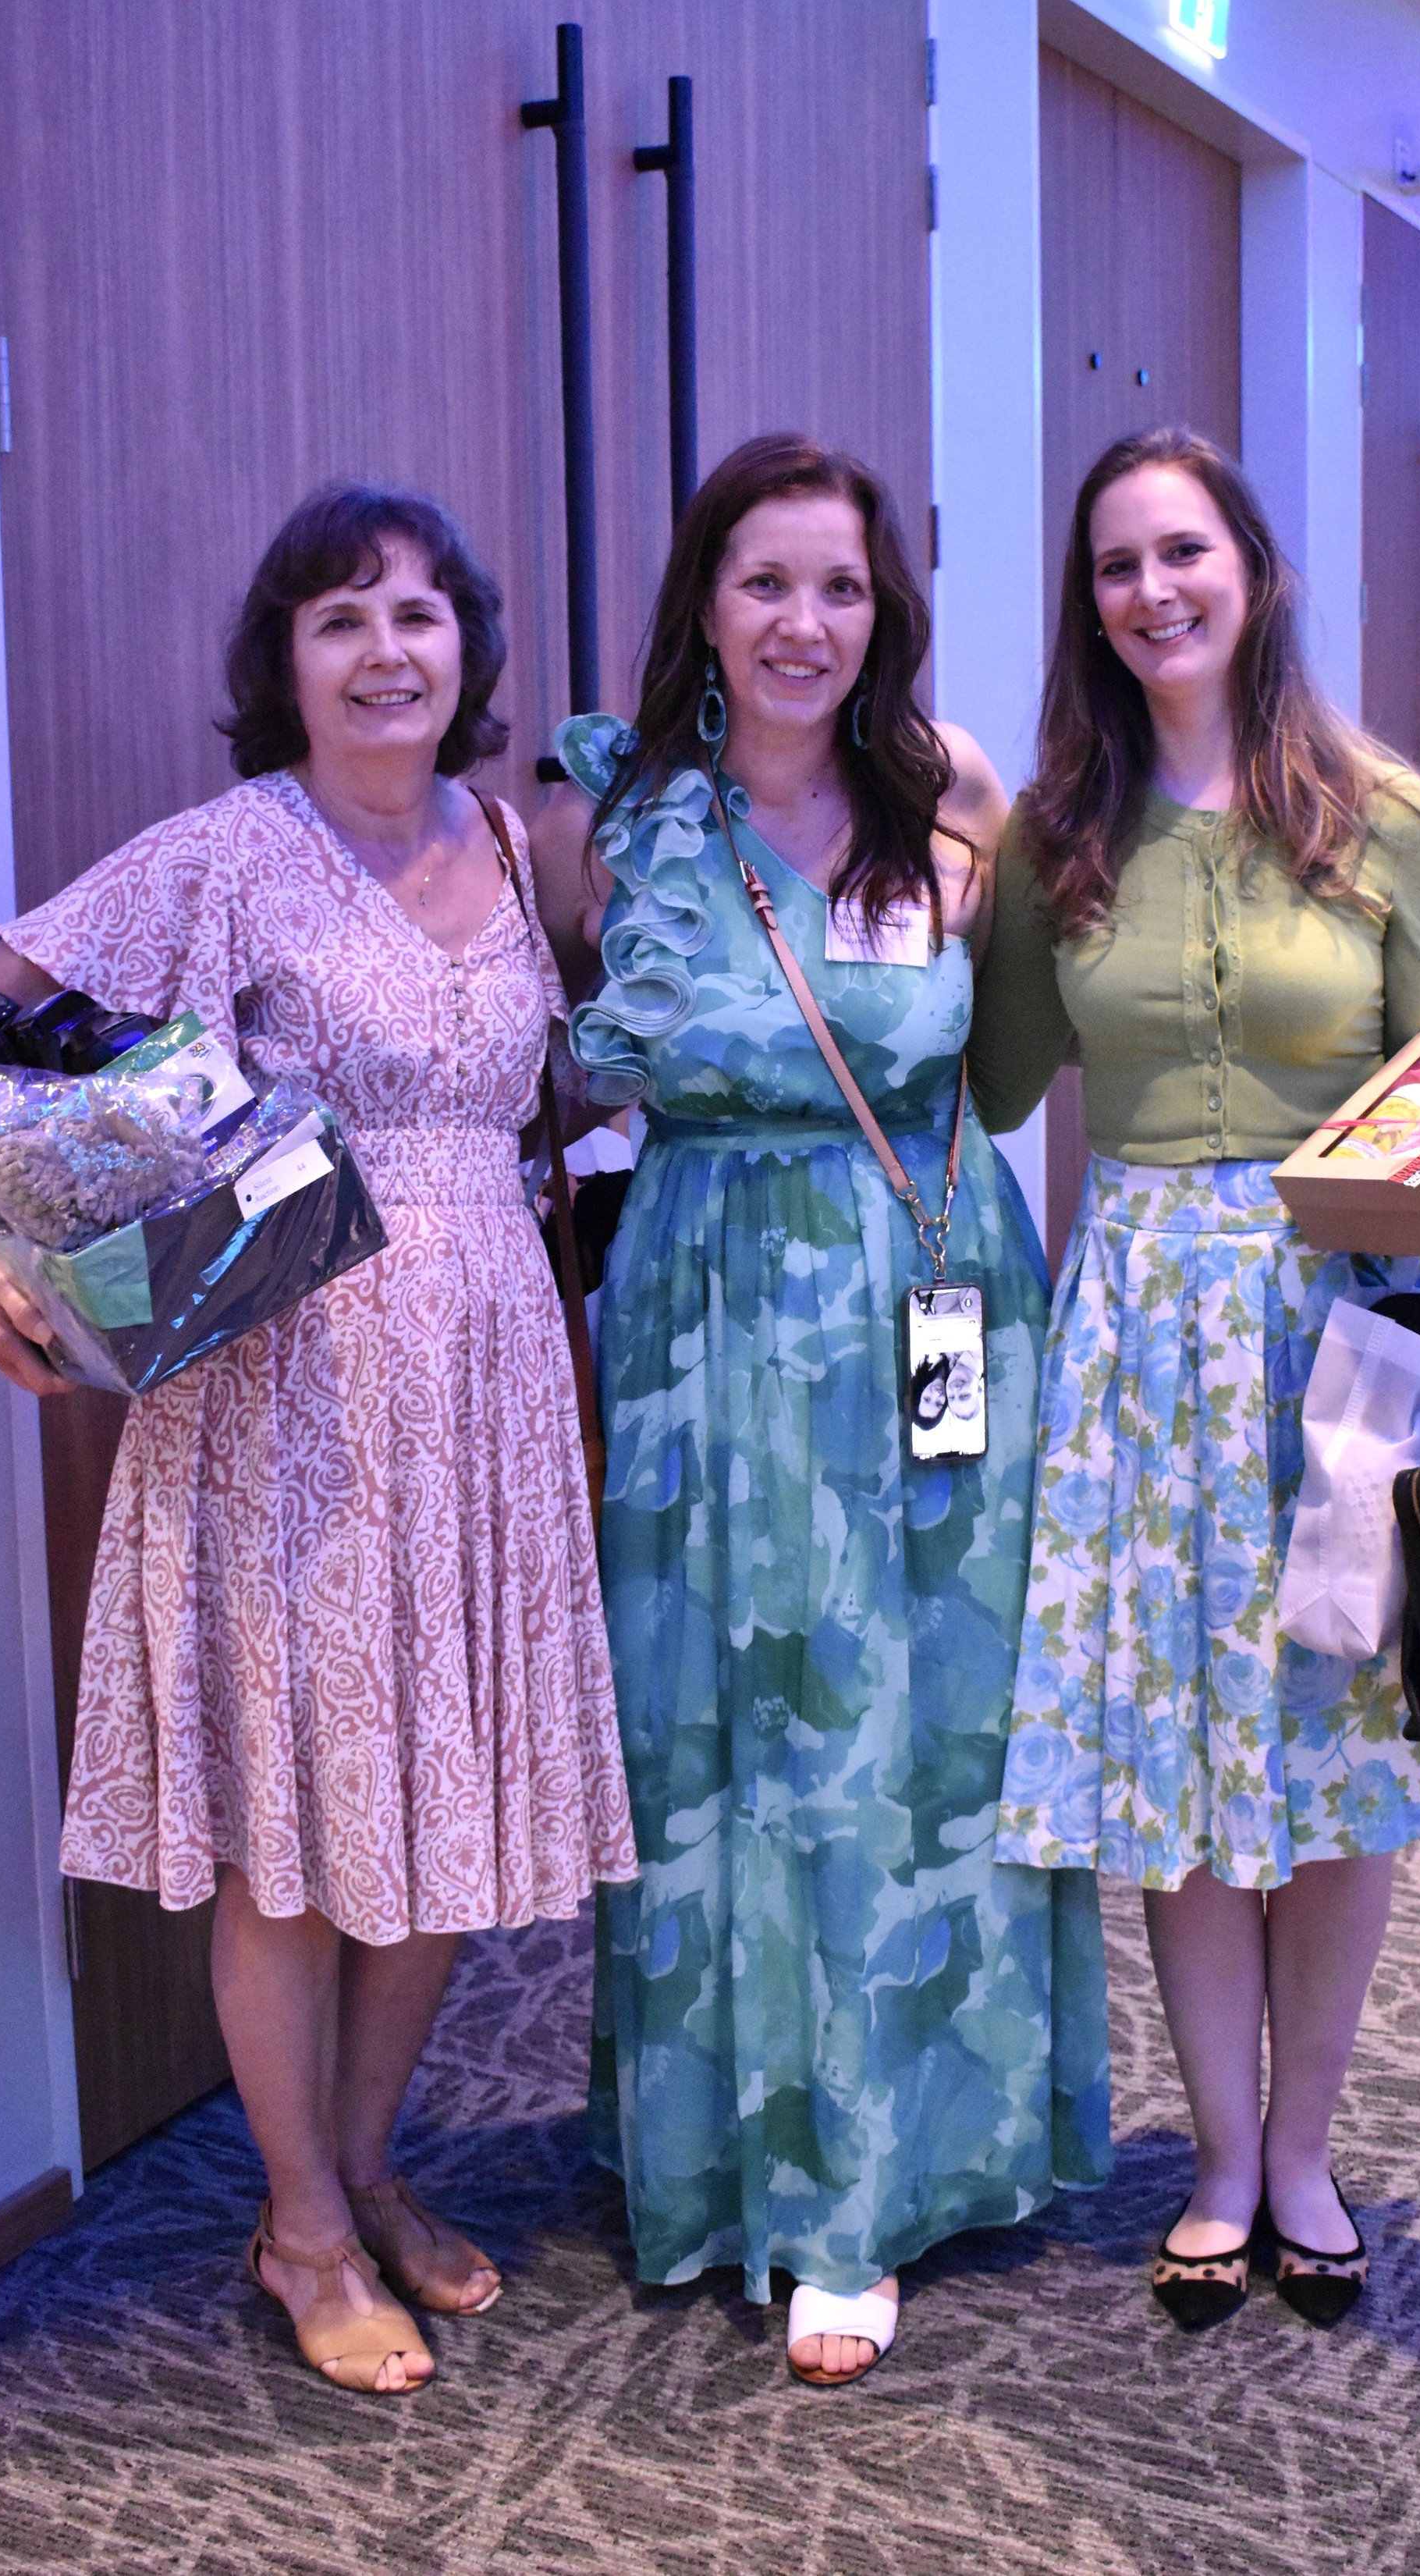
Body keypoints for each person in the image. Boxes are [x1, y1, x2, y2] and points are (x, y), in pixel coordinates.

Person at [0, 482, 637, 2395]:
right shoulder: (224, 853)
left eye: (416, 614)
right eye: (337, 622)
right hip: (282, 1386)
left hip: (488, 1386)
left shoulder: (507, 834)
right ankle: (297, 2224)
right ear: (282, 668)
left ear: (467, 642)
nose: (387, 651)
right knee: (289, 1839)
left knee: (443, 1812)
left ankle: (364, 2173)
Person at [531, 432, 1110, 2388]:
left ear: (887, 610)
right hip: (695, 1311)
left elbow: (1024, 1067)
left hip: (916, 1298)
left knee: (904, 1727)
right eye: (766, 581)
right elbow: (511, 1062)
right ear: (704, 594)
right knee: (699, 1721)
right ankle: (710, 2156)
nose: (803, 622)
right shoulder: (605, 815)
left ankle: (870, 2186)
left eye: (840, 587)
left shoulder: (953, 804)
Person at [967, 426, 1420, 2336]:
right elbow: (979, 1085)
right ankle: (1216, 2155)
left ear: (1251, 567)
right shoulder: (1058, 839)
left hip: (1336, 1321)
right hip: (1133, 1328)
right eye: (1115, 564)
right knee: (1177, 1756)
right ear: (1088, 602)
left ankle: (1305, 2152)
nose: (1151, 591)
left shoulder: (1380, 815)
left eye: (1181, 551)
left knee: (1331, 1751)